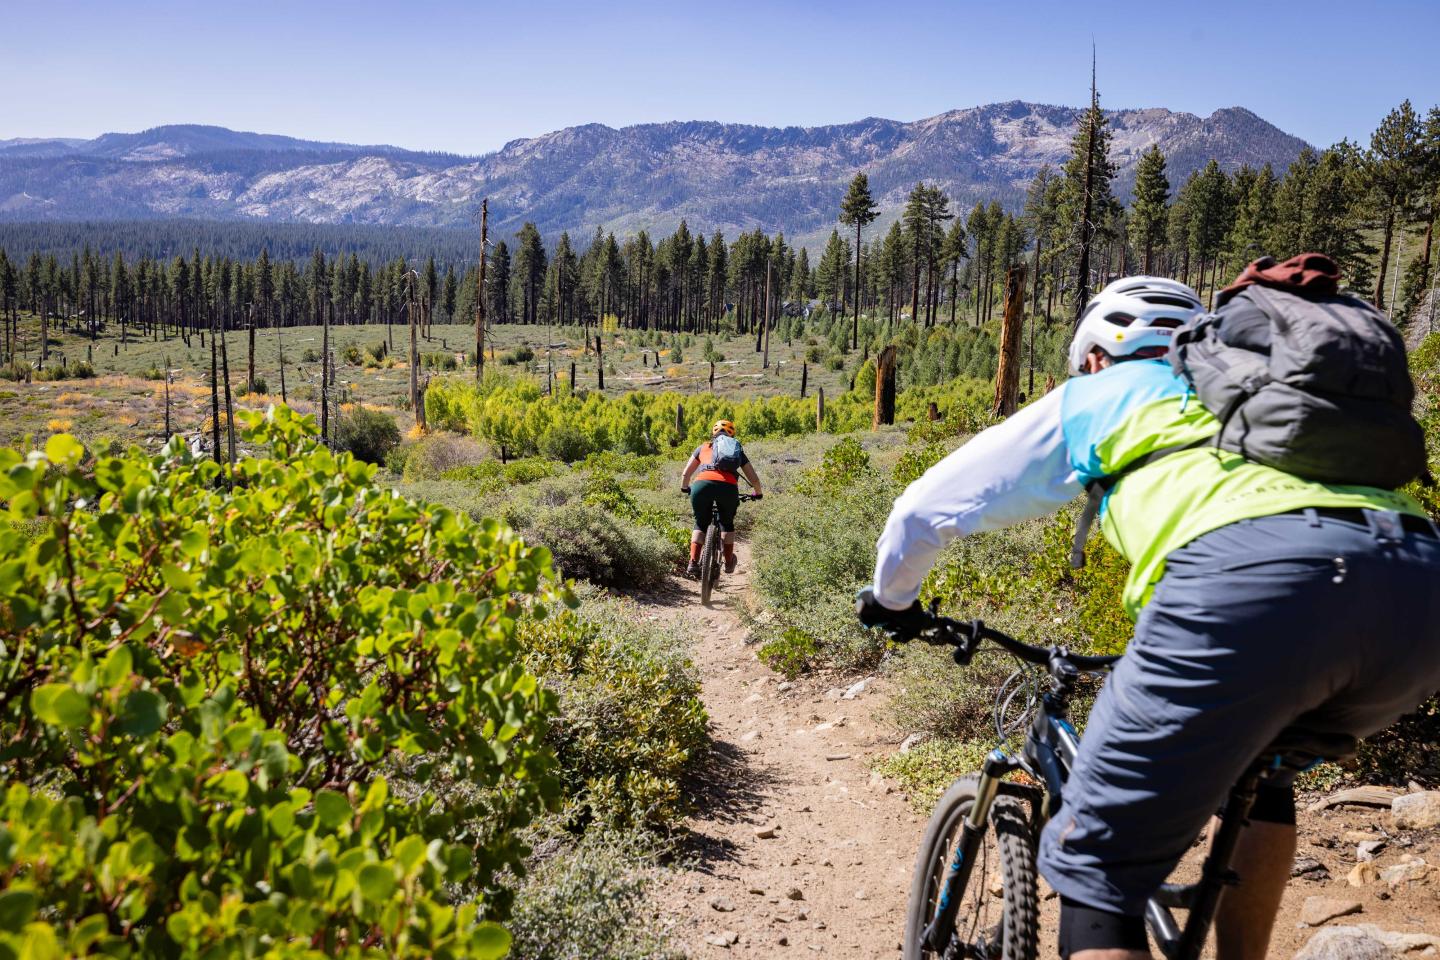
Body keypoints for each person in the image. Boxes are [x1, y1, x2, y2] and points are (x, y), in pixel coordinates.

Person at [858, 267, 1440, 960]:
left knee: (1097, 868)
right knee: (1263, 772)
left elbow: (925, 511)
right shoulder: (1264, 387)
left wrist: (892, 602)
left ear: (1095, 356)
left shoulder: (1103, 391)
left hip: (1252, 578)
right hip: (1416, 584)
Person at [681, 419, 763, 578]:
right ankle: (728, 562)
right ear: (732, 434)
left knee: (700, 523)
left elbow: (686, 473)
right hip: (728, 488)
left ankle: (693, 562)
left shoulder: (703, 447)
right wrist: (758, 493)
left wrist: (685, 487)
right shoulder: (736, 449)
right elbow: (754, 478)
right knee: (727, 523)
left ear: (714, 433)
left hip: (701, 486)